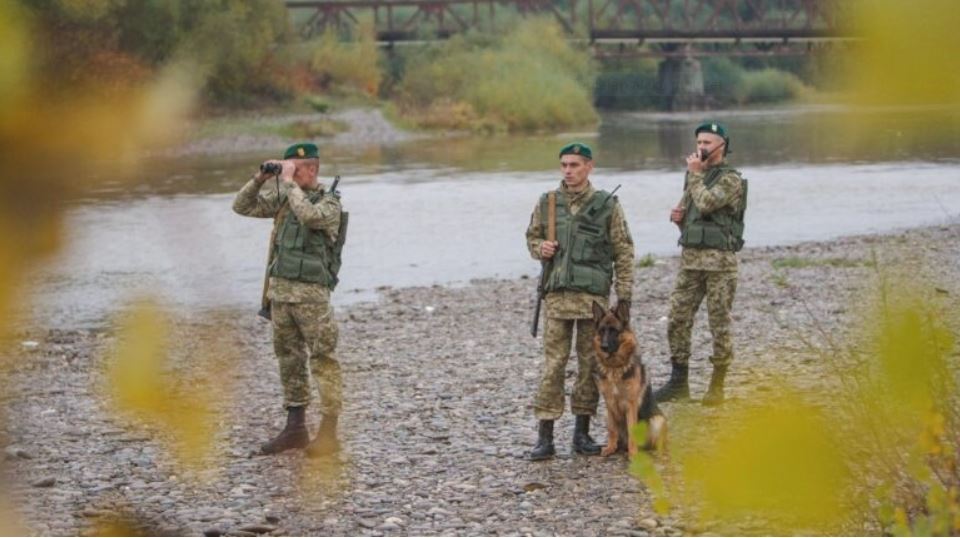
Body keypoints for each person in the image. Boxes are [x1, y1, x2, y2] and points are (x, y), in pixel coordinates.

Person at [232, 142, 346, 456]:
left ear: (312, 169)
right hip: (280, 294)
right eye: (288, 169)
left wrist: (289, 183)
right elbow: (241, 206)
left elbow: (309, 217)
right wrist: (260, 178)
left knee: (323, 359)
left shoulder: (329, 203)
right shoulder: (284, 198)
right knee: (289, 359)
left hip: (312, 296)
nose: (290, 175)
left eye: (296, 169)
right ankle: (295, 427)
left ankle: (328, 433)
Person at [525, 142, 635, 461]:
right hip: (558, 297)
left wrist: (624, 296)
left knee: (590, 364)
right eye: (564, 165)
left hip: (592, 301)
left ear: (589, 166)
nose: (568, 171)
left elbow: (623, 250)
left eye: (574, 165)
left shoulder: (607, 205)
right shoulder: (548, 203)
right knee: (554, 365)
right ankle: (545, 436)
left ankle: (582, 432)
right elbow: (532, 236)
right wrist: (540, 248)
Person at [655, 122, 747, 406]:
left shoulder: (731, 180)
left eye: (708, 142)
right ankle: (679, 382)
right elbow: (694, 217)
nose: (702, 148)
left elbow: (708, 203)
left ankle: (717, 384)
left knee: (719, 323)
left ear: (722, 145)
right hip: (691, 261)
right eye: (699, 142)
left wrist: (695, 176)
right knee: (677, 318)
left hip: (720, 263)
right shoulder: (692, 176)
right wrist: (680, 220)